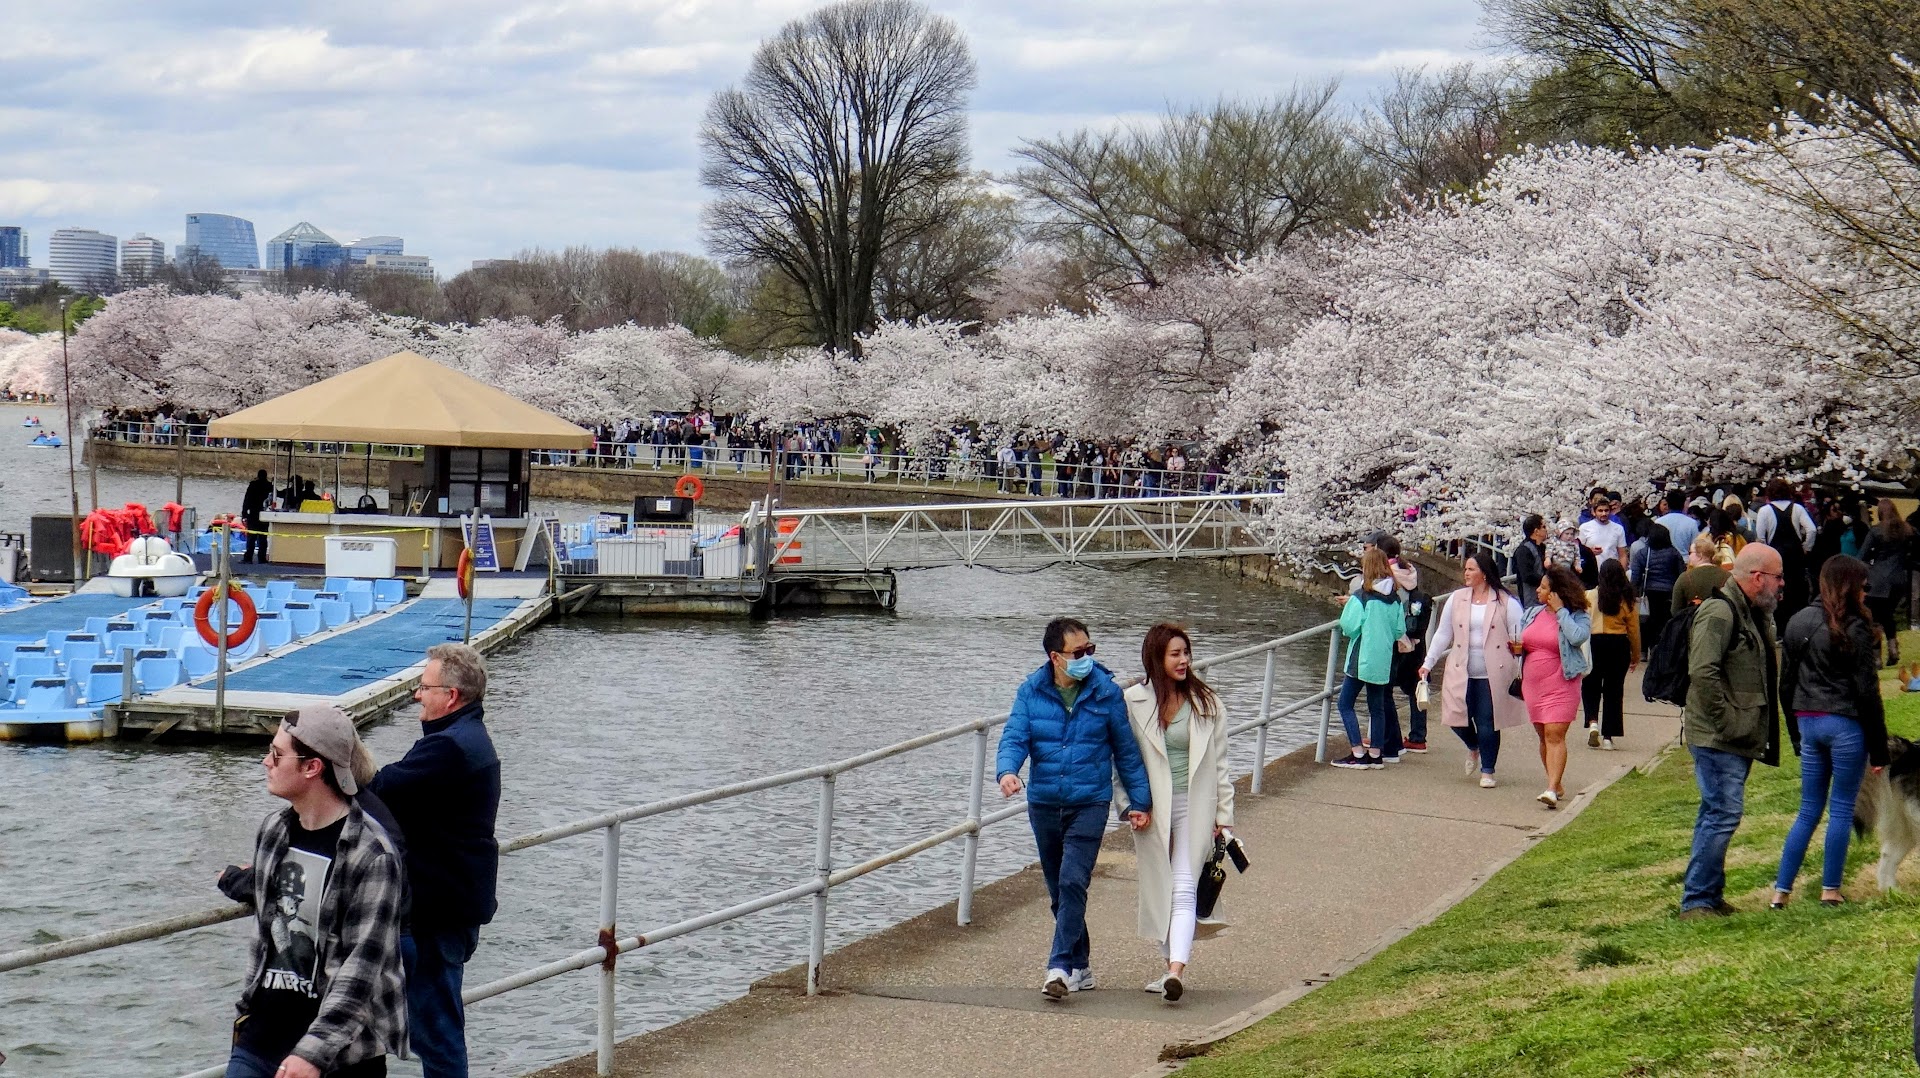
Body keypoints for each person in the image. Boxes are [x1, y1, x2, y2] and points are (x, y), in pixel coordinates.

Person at [216, 705, 407, 1078]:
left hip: (340, 1054)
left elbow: (362, 967)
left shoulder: (373, 854)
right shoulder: (273, 831)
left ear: (312, 767)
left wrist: (312, 1054)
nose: (266, 763)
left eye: (277, 755)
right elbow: (271, 908)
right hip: (261, 1039)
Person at [997, 618, 1152, 999]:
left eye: (1090, 650)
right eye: (1078, 652)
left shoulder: (1105, 692)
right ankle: (1081, 965)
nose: (1087, 658)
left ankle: (1060, 967)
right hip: (1045, 803)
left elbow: (1126, 752)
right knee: (1058, 889)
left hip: (1090, 802)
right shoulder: (1031, 692)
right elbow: (1015, 736)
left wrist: (1139, 802)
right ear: (1056, 657)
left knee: (1072, 881)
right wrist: (1007, 771)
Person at [366, 643, 502, 1077]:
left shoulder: (448, 747)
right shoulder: (466, 738)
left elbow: (381, 788)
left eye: (425, 687)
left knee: (438, 1032)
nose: (417, 695)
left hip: (438, 909)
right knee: (435, 1025)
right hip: (455, 900)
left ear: (452, 695)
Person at [1118, 625, 1234, 1003]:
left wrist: (1224, 816)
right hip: (1153, 809)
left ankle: (1175, 971)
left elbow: (1221, 766)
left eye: (1186, 652)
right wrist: (1128, 805)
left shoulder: (1207, 703)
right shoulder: (1133, 701)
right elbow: (1121, 761)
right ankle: (1169, 963)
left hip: (1195, 806)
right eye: (1175, 654)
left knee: (1184, 885)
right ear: (1156, 657)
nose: (1184, 660)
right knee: (1160, 888)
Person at [1771, 556, 1890, 909]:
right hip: (1844, 724)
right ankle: (1830, 890)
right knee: (1840, 809)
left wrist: (1795, 733)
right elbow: (1867, 691)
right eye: (1864, 586)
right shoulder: (1855, 626)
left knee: (1808, 810)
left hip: (1808, 721)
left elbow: (1786, 684)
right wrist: (1879, 749)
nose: (1867, 593)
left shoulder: (1797, 621)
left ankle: (1780, 892)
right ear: (1850, 586)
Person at [1678, 544, 1785, 919]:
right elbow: (1702, 671)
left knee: (1716, 813)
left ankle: (1707, 894)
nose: (1782, 584)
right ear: (1757, 577)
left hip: (1734, 733)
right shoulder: (1719, 611)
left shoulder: (1751, 613)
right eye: (1777, 577)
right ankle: (1697, 900)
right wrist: (1726, 721)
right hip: (1718, 736)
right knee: (1723, 813)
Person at [1420, 551, 1527, 788]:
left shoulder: (1505, 602)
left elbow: (1520, 635)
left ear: (1484, 573)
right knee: (1455, 716)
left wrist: (1520, 662)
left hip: (1493, 671)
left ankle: (1488, 770)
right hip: (1461, 668)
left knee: (1487, 720)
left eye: (1471, 569)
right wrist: (1428, 662)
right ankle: (1473, 745)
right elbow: (1443, 633)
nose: (1466, 573)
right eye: (1466, 569)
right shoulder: (1457, 598)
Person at [1520, 566, 1592, 808]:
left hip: (1562, 681)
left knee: (1555, 733)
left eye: (1543, 587)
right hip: (1534, 684)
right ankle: (1555, 781)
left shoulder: (1577, 615)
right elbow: (1524, 638)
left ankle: (1551, 789)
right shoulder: (1532, 613)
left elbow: (1578, 637)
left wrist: (1561, 611)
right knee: (1543, 734)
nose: (1538, 591)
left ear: (1556, 592)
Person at [1332, 549, 1409, 769]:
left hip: (1362, 657)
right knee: (1377, 707)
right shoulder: (1394, 599)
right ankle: (1376, 754)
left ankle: (1357, 752)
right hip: (1383, 658)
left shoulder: (1362, 597)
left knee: (1345, 704)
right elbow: (1399, 630)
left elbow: (1349, 626)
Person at [1582, 560, 1641, 750]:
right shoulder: (1626, 600)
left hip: (1594, 643)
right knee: (1614, 690)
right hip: (1618, 644)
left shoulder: (1589, 596)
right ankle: (1608, 735)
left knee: (1590, 685)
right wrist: (1636, 654)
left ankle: (1592, 721)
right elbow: (1634, 630)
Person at [1755, 479, 1817, 636]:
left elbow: (1760, 537)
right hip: (1796, 557)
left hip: (1775, 557)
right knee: (1797, 593)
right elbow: (1811, 530)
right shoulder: (1797, 508)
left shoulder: (1764, 511)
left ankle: (1780, 630)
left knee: (1777, 592)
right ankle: (1799, 629)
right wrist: (1806, 548)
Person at [1861, 499, 1914, 667]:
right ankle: (1893, 647)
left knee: (1874, 618)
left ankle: (1876, 657)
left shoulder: (1876, 532)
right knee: (1887, 614)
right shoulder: (1908, 530)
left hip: (1878, 580)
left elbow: (1862, 556)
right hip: (1899, 580)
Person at [1630, 523, 1684, 659]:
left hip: (1649, 593)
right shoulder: (1674, 553)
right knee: (1665, 621)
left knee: (1646, 621)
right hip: (1669, 592)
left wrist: (1633, 594)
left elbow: (1635, 576)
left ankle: (1643, 651)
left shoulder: (1643, 553)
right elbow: (1681, 573)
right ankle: (1661, 649)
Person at [1673, 533, 1732, 612]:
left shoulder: (1685, 578)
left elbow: (1675, 610)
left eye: (1690, 553)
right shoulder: (1728, 576)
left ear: (1700, 555)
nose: (1689, 556)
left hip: (1694, 618)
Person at [1579, 498, 1630, 583]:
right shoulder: (1584, 528)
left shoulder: (1618, 529)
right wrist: (1589, 551)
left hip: (1612, 574)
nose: (1604, 513)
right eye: (1600, 511)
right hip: (1591, 574)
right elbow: (1578, 551)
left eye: (1606, 510)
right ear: (1593, 512)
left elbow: (1622, 555)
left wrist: (1622, 574)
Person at [1511, 515, 1548, 608]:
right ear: (1536, 531)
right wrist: (1547, 580)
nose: (1546, 530)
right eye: (1543, 527)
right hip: (1531, 598)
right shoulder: (1524, 550)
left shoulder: (1543, 547)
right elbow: (1527, 575)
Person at [241, 469, 274, 565]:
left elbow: (247, 500)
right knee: (263, 537)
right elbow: (271, 500)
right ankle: (262, 558)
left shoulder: (253, 485)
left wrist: (244, 513)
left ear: (258, 476)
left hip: (253, 513)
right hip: (265, 513)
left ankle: (248, 558)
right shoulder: (269, 486)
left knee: (251, 537)